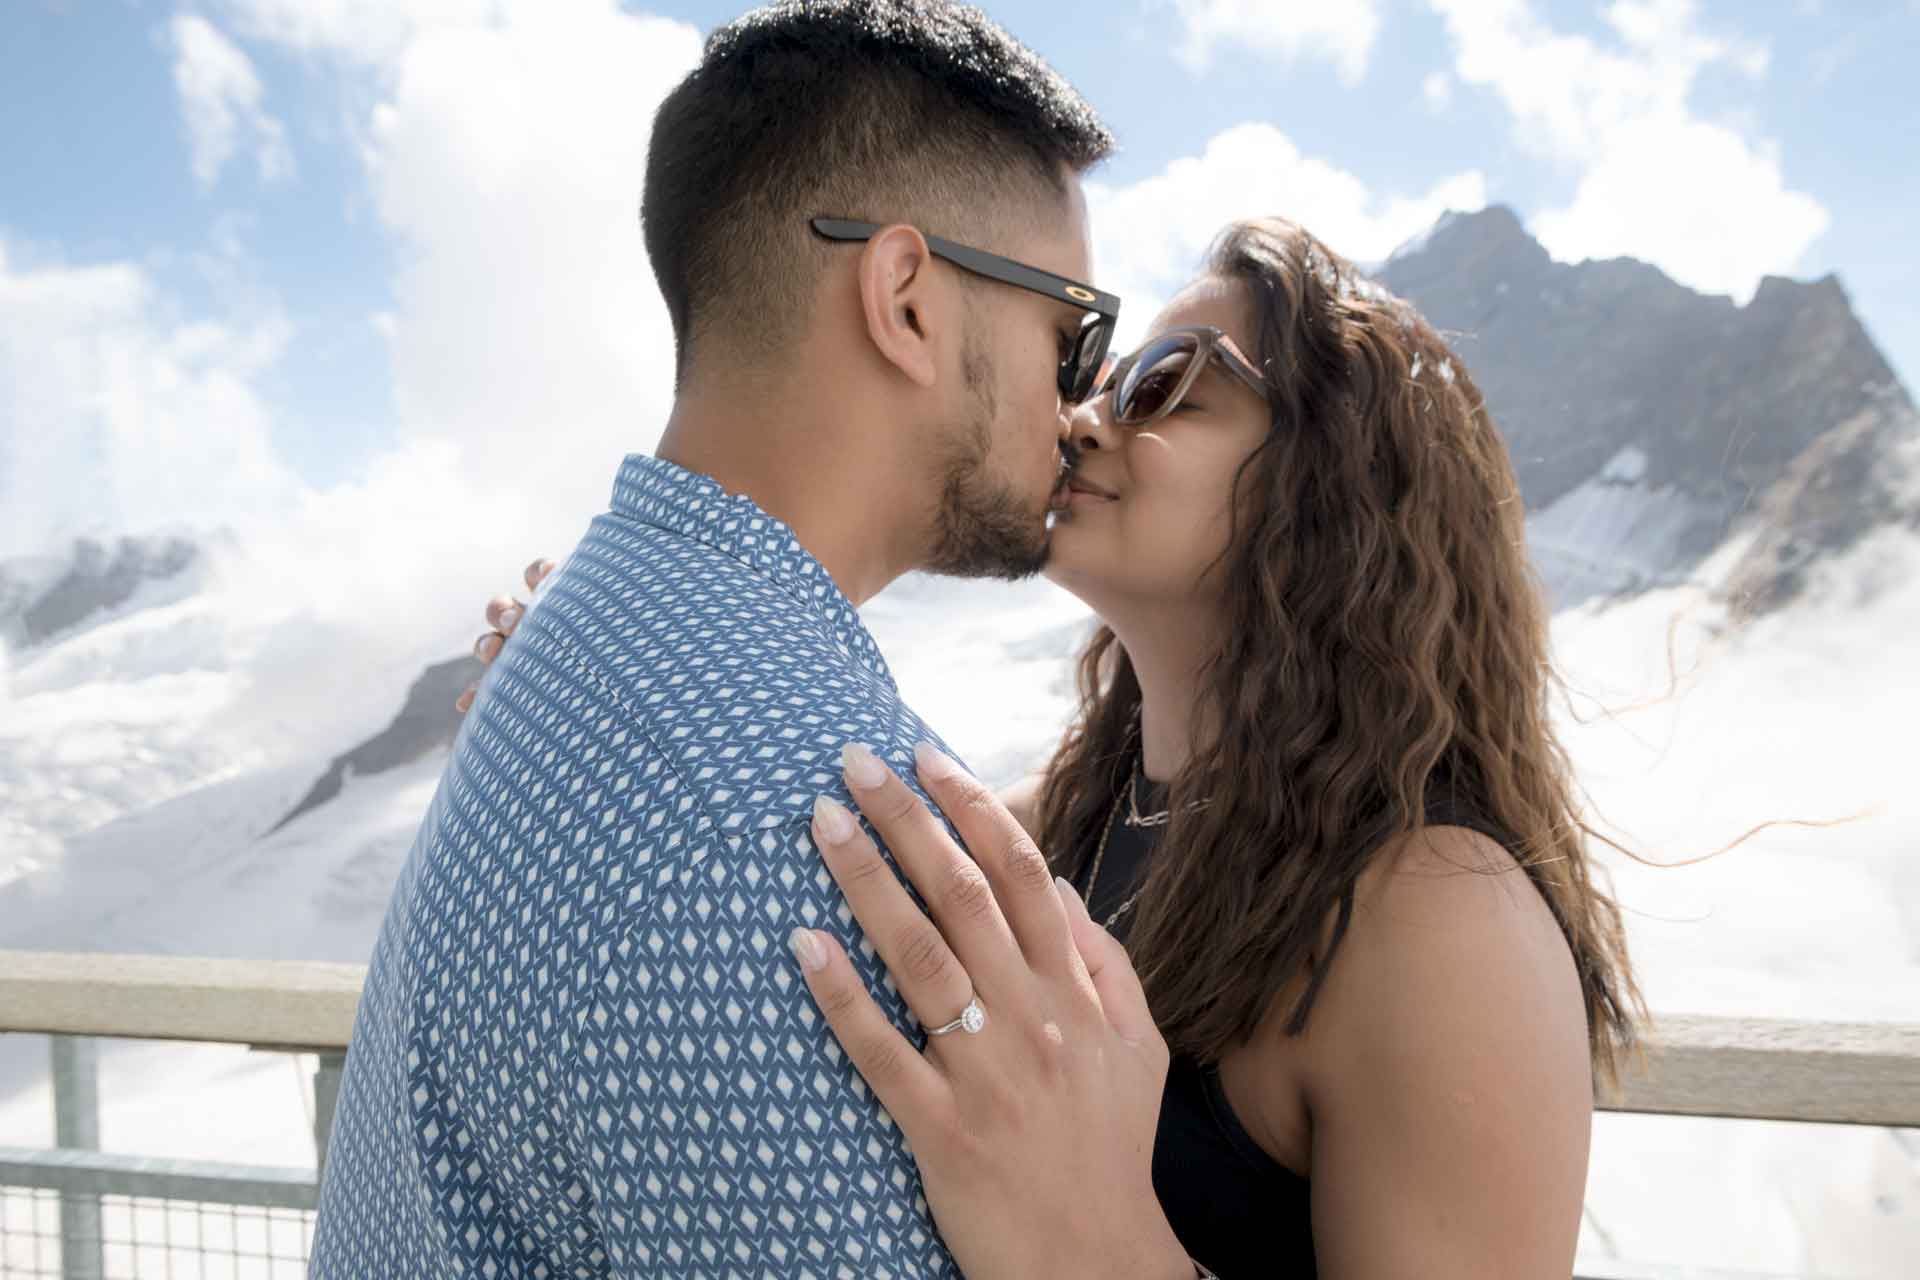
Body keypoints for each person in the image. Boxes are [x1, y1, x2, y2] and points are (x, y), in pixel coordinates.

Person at [473, 218, 1646, 1276]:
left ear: (1341, 482)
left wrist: (1097, 1247)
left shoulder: (1443, 919)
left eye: (1166, 384)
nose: (1082, 416)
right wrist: (610, 679)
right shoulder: (1079, 814)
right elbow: (805, 847)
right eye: (1098, 375)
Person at [309, 3, 1164, 1276]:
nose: (1084, 398)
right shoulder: (815, 838)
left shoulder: (578, 641)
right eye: (1073, 330)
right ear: (909, 301)